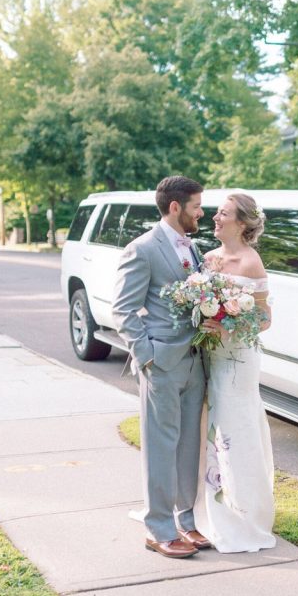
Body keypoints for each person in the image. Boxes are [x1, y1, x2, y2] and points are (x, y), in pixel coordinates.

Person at [113, 176, 211, 559]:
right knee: (160, 445)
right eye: (196, 206)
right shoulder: (142, 249)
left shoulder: (195, 248)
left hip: (195, 361)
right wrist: (147, 354)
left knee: (190, 444)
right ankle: (158, 527)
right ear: (175, 207)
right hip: (163, 363)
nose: (201, 212)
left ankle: (186, 520)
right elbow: (123, 309)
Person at [194, 191, 276, 552]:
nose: (215, 217)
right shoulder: (208, 259)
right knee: (208, 428)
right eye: (215, 212)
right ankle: (210, 506)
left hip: (239, 361)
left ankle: (244, 515)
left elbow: (264, 318)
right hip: (210, 357)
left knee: (235, 429)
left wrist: (227, 327)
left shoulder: (250, 262)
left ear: (241, 223)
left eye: (223, 213)